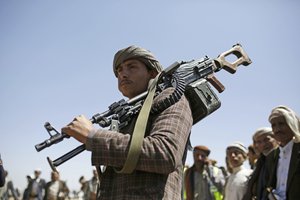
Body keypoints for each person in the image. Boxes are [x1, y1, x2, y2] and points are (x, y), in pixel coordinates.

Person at [62, 45, 193, 199]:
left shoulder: (171, 97)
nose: (123, 74)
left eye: (131, 67)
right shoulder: (129, 113)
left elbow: (165, 153)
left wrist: (93, 137)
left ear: (152, 73)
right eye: (119, 70)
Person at [266, 105, 300, 200]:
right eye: (274, 125)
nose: (277, 129)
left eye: (281, 124)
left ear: (291, 124)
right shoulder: (271, 156)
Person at [243, 127, 278, 200]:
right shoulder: (260, 164)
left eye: (266, 139)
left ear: (276, 138)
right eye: (258, 142)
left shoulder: (282, 158)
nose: (263, 144)